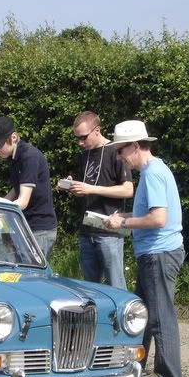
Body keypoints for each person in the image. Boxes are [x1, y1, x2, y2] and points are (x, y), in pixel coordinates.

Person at [105, 120, 185, 377]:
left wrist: (124, 223)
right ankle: (134, 367)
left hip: (158, 253)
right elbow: (149, 214)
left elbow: (158, 219)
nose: (119, 157)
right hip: (155, 253)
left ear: (136, 146)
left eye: (121, 150)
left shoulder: (152, 174)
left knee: (160, 318)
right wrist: (124, 216)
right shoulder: (155, 171)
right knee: (143, 315)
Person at [68, 111, 134, 289]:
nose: (80, 143)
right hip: (86, 230)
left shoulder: (116, 151)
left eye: (83, 137)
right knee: (90, 289)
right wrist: (75, 188)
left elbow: (128, 189)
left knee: (116, 286)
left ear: (97, 130)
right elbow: (87, 189)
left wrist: (91, 189)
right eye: (77, 138)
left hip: (109, 231)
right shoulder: (85, 155)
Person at [0, 116, 57, 260]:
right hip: (24, 225)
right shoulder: (13, 157)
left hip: (39, 229)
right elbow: (16, 189)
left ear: (13, 137)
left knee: (30, 273)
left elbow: (23, 201)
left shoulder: (29, 157)